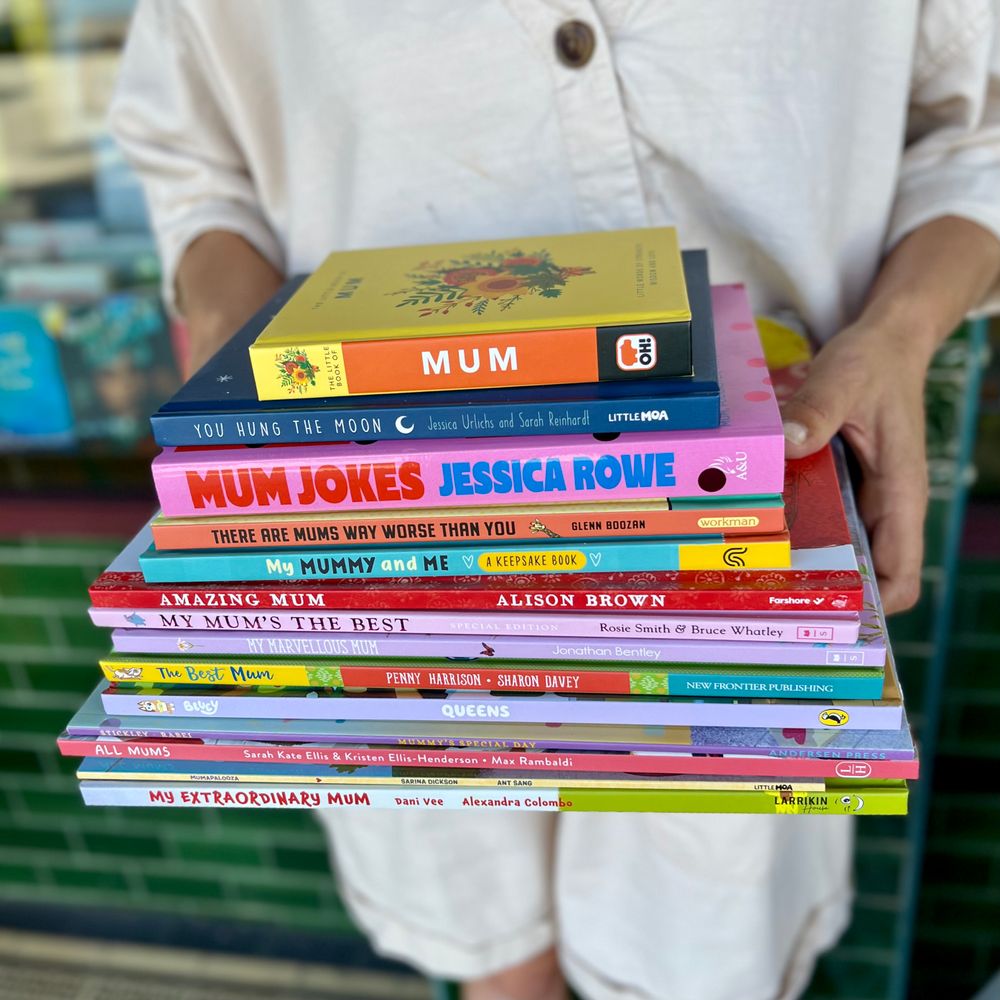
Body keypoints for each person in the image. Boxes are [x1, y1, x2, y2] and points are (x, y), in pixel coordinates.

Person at [108, 3, 1000, 998]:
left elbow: (979, 136)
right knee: (496, 947)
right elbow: (197, 170)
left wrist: (901, 328)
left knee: (702, 947)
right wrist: (252, 394)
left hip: (744, 538)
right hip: (381, 536)